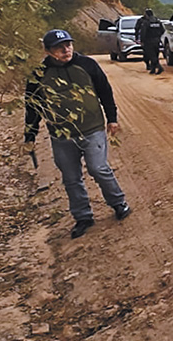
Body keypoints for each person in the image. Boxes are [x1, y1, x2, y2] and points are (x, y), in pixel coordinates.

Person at [25, 29, 132, 239]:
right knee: (71, 178)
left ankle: (119, 203)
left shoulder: (87, 64)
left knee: (98, 168)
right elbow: (33, 107)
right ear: (47, 51)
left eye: (68, 44)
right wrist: (30, 135)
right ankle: (83, 217)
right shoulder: (38, 74)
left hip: (92, 128)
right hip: (61, 135)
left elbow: (105, 91)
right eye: (59, 47)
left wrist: (112, 118)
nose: (66, 50)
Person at [134, 8, 165, 74]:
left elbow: (143, 32)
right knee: (155, 55)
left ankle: (159, 67)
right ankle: (153, 69)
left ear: (147, 14)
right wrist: (158, 36)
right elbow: (163, 30)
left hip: (148, 41)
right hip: (157, 41)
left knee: (151, 55)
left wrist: (142, 41)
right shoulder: (157, 21)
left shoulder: (146, 22)